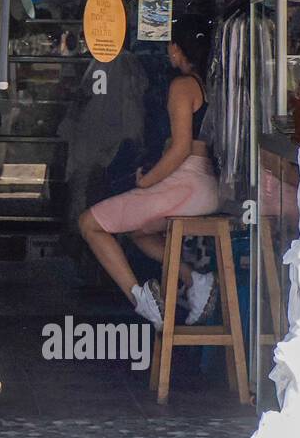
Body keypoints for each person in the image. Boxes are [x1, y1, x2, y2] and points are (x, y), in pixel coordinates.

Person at [77, 17, 220, 329]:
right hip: (206, 184)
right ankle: (193, 279)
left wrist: (147, 181)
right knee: (137, 230)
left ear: (177, 49)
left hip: (187, 185)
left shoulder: (183, 86)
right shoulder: (211, 84)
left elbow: (181, 148)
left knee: (89, 224)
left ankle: (141, 299)